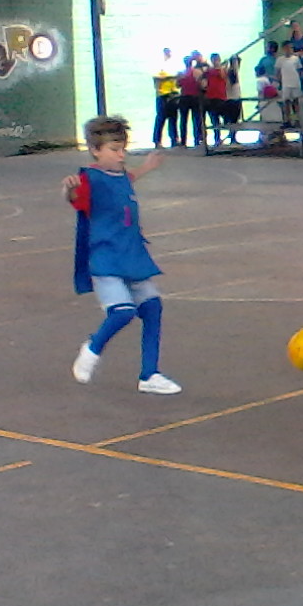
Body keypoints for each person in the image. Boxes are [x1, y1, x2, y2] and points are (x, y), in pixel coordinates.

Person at [64, 116, 180, 396]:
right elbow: (76, 197)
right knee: (123, 312)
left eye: (122, 149)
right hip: (106, 259)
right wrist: (69, 190)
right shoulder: (89, 178)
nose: (121, 155)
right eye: (114, 150)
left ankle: (149, 374)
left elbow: (128, 178)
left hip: (130, 255)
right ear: (95, 151)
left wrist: (147, 167)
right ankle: (92, 349)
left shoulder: (120, 176)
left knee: (153, 308)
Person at [175, 54, 205, 148]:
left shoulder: (181, 73)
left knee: (183, 120)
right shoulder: (198, 72)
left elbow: (177, 85)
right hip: (195, 97)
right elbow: (202, 85)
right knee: (197, 119)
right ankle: (198, 140)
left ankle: (183, 141)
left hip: (184, 97)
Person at [151, 48, 179, 148]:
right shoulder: (158, 64)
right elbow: (156, 77)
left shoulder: (173, 64)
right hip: (162, 94)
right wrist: (171, 77)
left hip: (173, 93)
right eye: (167, 53)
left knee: (173, 118)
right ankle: (157, 141)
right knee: (161, 118)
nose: (169, 54)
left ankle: (174, 139)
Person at [276, 40, 303, 128]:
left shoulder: (295, 59)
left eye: (291, 48)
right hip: (285, 84)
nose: (289, 49)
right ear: (283, 49)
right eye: (287, 48)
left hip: (295, 83)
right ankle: (287, 120)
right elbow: (278, 72)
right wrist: (279, 82)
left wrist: (300, 81)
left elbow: (300, 71)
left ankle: (297, 120)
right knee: (286, 102)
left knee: (295, 102)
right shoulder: (280, 60)